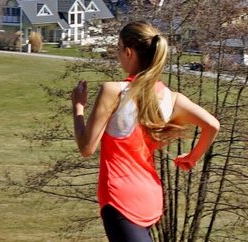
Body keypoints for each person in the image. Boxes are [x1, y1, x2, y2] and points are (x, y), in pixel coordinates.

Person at [71, 21, 219, 242]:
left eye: (118, 48)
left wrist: (78, 107)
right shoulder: (171, 98)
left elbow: (86, 147)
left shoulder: (113, 92)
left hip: (120, 198)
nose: (117, 53)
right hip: (150, 195)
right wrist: (192, 158)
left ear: (129, 52)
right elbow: (212, 125)